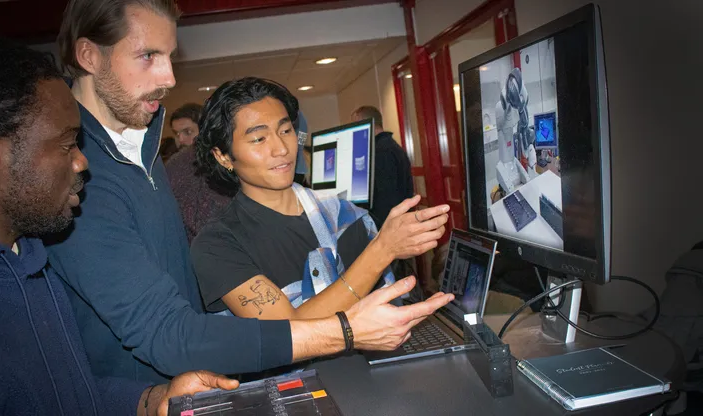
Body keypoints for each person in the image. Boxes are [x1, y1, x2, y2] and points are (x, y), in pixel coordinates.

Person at [45, 0, 454, 384]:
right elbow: (168, 332)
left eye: (286, 131)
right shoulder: (76, 177)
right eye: (148, 55)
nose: (169, 77)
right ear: (89, 56)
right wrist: (349, 325)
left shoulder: (142, 152)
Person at [0, 34, 238, 416]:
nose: (82, 163)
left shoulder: (33, 264)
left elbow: (63, 394)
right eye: (68, 145)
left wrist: (151, 399)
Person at [191, 78, 450, 319]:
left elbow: (392, 303)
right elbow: (286, 334)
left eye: (286, 130)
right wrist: (382, 250)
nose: (281, 149)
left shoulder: (343, 214)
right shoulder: (219, 243)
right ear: (223, 156)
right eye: (259, 139)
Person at [166, 103, 234, 244]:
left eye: (188, 132)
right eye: (177, 134)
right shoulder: (174, 166)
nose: (181, 140)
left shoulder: (225, 160)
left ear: (205, 129)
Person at [351, 106, 415, 229]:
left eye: (356, 126)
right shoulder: (393, 146)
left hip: (389, 225)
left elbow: (384, 198)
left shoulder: (379, 152)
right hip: (401, 220)